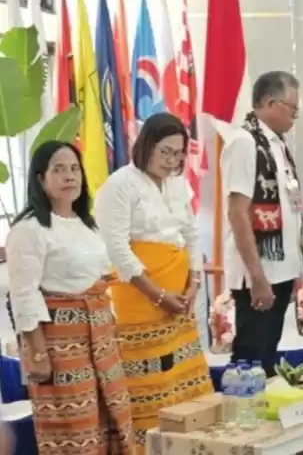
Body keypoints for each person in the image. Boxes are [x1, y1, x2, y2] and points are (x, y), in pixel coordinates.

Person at [6, 141, 135, 454]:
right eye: (59, 169)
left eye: (75, 169)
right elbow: (24, 294)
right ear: (41, 179)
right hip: (60, 346)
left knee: (110, 419)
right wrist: (38, 355)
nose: (69, 176)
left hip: (101, 339)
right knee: (75, 429)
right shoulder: (29, 229)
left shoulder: (86, 224)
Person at [94, 113, 213, 451]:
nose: (172, 161)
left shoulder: (177, 183)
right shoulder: (119, 185)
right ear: (146, 145)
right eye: (166, 152)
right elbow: (117, 249)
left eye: (178, 154)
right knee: (148, 381)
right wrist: (158, 296)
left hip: (180, 296)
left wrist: (194, 283)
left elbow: (191, 234)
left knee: (182, 377)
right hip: (140, 297)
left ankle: (187, 444)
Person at [222, 71, 303, 377]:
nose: (295, 116)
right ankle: (243, 407)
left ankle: (264, 407)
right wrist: (257, 277)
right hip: (259, 273)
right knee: (250, 359)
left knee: (268, 358)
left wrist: (295, 270)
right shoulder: (244, 142)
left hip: (281, 270)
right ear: (271, 103)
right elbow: (238, 213)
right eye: (292, 108)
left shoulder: (276, 144)